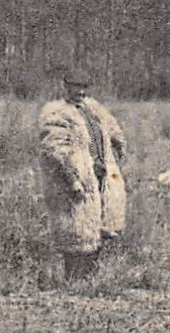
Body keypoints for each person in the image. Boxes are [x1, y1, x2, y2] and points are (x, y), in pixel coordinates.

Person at [38, 68, 127, 280]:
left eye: (83, 88)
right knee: (76, 233)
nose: (80, 92)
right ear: (66, 87)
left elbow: (113, 132)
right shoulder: (56, 113)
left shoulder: (93, 110)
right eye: (75, 87)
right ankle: (74, 281)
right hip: (75, 180)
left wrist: (116, 152)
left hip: (100, 177)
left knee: (98, 229)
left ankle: (91, 280)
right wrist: (72, 179)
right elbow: (54, 149)